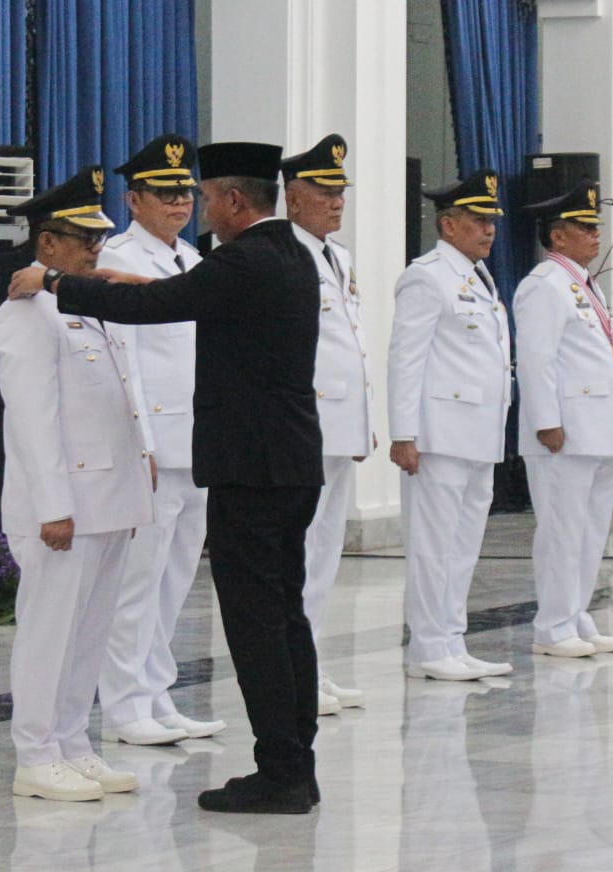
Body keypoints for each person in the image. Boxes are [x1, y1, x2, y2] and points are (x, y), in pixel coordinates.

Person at [8, 141, 323, 815]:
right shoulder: (289, 253)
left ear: (235, 199)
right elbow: (169, 297)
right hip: (283, 461)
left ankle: (282, 770)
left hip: (253, 464)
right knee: (284, 615)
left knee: (259, 620)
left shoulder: (244, 259)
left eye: (206, 196)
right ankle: (295, 762)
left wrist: (56, 283)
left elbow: (167, 305)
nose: (198, 207)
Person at [0, 166, 154, 801]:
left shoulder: (88, 303)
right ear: (45, 244)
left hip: (110, 498)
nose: (94, 247)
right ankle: (34, 754)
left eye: (98, 237)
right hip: (62, 507)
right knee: (48, 632)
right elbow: (33, 423)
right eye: (80, 238)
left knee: (89, 630)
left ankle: (72, 743)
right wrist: (53, 507)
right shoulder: (26, 314)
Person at [95, 134, 226, 747]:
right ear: (133, 198)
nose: (179, 203)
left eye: (185, 193)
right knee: (136, 582)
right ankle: (123, 706)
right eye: (165, 193)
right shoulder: (119, 258)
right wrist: (140, 444)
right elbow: (127, 363)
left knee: (175, 578)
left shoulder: (195, 263)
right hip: (153, 445)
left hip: (196, 443)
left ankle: (155, 693)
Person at [388, 169, 513, 681]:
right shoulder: (427, 275)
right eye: (477, 220)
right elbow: (405, 357)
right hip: (440, 433)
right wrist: (403, 433)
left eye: (491, 221)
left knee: (464, 544)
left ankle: (452, 639)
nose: (488, 230)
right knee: (433, 545)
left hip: (479, 431)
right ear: (447, 224)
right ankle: (427, 646)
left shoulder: (478, 276)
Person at [513, 181, 613, 659]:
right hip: (566, 430)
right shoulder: (544, 285)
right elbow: (537, 358)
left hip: (599, 427)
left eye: (596, 227)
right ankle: (553, 625)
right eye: (584, 228)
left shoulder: (585, 283)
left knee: (589, 531)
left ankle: (576, 614)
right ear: (558, 237)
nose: (595, 235)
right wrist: (546, 421)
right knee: (562, 531)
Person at [282, 133, 373, 712]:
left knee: (326, 553)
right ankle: (296, 673)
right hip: (307, 422)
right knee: (301, 555)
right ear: (293, 196)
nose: (337, 202)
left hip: (340, 426)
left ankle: (310, 666)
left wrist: (365, 423)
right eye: (324, 191)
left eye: (341, 192)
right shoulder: (284, 254)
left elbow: (353, 345)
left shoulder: (338, 258)